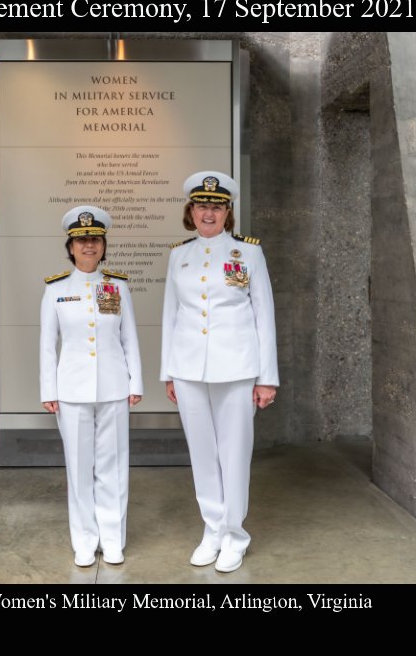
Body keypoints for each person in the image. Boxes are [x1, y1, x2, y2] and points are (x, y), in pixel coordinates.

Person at [160, 171, 278, 573]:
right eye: (201, 205)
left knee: (234, 452)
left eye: (216, 206)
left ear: (227, 212)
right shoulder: (180, 254)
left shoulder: (249, 253)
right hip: (189, 367)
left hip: (238, 367)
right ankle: (211, 530)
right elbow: (170, 316)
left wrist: (267, 377)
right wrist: (168, 372)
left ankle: (234, 534)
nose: (207, 213)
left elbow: (264, 315)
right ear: (190, 210)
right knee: (202, 453)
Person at [40, 205, 143, 567]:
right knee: (79, 467)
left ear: (103, 245)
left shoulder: (117, 285)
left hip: (114, 386)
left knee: (113, 466)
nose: (89, 245)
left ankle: (113, 538)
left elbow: (129, 336)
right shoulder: (55, 289)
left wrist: (136, 381)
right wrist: (48, 391)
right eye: (82, 240)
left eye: (95, 239)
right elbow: (46, 343)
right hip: (71, 390)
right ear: (70, 246)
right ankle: (84, 539)